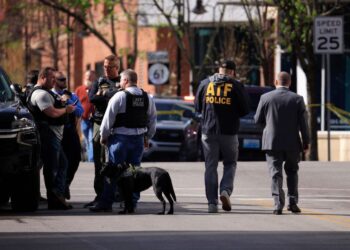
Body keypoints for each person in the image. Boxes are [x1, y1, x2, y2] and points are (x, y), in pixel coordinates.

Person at [89, 69, 157, 212]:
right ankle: (131, 202)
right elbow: (152, 119)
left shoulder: (119, 96)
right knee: (133, 172)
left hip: (120, 141)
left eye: (120, 80)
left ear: (126, 81)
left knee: (112, 172)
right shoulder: (147, 97)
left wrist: (103, 136)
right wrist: (147, 137)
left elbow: (108, 119)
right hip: (138, 140)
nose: (119, 83)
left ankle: (106, 203)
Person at [194, 59, 250, 213]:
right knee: (230, 163)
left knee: (210, 166)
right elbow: (245, 110)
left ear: (219, 69)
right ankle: (225, 191)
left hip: (208, 131)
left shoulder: (205, 84)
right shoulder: (237, 86)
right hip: (229, 132)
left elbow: (197, 107)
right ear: (232, 72)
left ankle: (212, 203)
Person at [254, 71, 309, 215]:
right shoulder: (297, 99)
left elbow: (257, 120)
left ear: (275, 82)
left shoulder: (265, 97)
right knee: (292, 172)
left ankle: (278, 204)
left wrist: (268, 129)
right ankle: (292, 202)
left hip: (272, 142)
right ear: (289, 82)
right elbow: (304, 123)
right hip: (292, 143)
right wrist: (306, 141)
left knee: (275, 173)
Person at [27, 67, 76, 210]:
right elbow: (52, 113)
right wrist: (66, 110)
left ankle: (57, 197)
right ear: (42, 77)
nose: (54, 81)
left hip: (51, 135)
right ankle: (55, 199)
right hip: (48, 135)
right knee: (53, 167)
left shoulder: (45, 93)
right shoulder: (40, 94)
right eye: (51, 78)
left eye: (56, 78)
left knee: (60, 164)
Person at [85, 55, 121, 208]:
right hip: (99, 124)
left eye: (110, 66)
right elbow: (92, 98)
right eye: (105, 66)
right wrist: (110, 96)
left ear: (117, 67)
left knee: (116, 162)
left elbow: (122, 97)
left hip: (117, 125)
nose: (106, 69)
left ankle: (118, 194)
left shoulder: (122, 81)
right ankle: (99, 195)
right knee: (99, 163)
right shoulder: (99, 82)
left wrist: (104, 95)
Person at [52, 71, 84, 200]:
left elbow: (81, 111)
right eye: (61, 79)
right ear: (54, 80)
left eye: (65, 79)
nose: (64, 82)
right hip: (57, 132)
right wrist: (60, 102)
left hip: (71, 132)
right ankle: (57, 190)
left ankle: (66, 183)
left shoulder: (72, 95)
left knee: (75, 158)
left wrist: (69, 103)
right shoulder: (50, 95)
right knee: (58, 162)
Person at [76, 70, 96, 162]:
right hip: (83, 119)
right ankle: (89, 157)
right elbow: (75, 103)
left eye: (90, 76)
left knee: (92, 139)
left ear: (94, 77)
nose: (88, 78)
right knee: (86, 140)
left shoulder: (96, 88)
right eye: (87, 76)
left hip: (94, 119)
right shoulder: (79, 89)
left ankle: (91, 159)